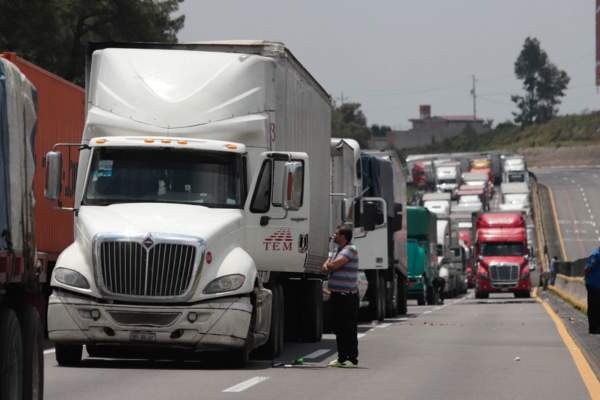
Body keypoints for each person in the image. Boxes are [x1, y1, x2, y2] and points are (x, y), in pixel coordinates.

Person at [322, 225, 359, 368]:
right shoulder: (335, 251)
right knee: (338, 327)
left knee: (348, 328)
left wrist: (329, 265)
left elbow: (332, 266)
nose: (334, 236)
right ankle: (341, 358)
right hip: (336, 295)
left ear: (343, 236)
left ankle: (352, 359)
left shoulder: (350, 249)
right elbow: (324, 267)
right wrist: (329, 265)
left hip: (347, 296)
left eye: (336, 234)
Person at [585, 248, 600, 334]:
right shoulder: (596, 254)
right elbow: (587, 268)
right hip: (593, 285)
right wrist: (587, 279)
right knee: (593, 307)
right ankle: (593, 328)